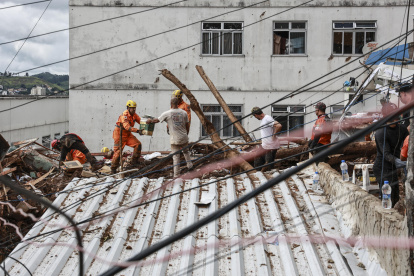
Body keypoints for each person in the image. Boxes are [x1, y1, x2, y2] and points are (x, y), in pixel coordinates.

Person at [147, 98, 193, 178]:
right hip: (184, 137)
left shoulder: (167, 113)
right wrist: (186, 134)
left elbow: (157, 120)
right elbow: (187, 125)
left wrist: (150, 120)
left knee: (176, 157)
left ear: (171, 103)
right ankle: (190, 167)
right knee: (186, 152)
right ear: (178, 103)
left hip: (175, 139)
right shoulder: (184, 113)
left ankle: (176, 176)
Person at [373, 102, 408, 207]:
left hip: (393, 167)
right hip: (382, 167)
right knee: (388, 197)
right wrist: (402, 163)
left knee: (396, 196)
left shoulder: (401, 129)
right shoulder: (381, 132)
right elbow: (386, 154)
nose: (396, 119)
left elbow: (409, 141)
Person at [111, 100, 143, 174]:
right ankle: (113, 169)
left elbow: (141, 121)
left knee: (138, 145)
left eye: (135, 108)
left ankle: (134, 163)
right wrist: (138, 131)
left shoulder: (134, 115)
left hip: (128, 134)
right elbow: (127, 127)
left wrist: (148, 121)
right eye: (132, 108)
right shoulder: (124, 115)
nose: (134, 109)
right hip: (120, 134)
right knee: (118, 152)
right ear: (128, 108)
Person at [251, 106, 282, 171]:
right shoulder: (264, 119)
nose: (255, 118)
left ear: (256, 115)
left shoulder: (267, 118)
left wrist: (274, 136)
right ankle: (259, 173)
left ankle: (268, 177)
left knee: (268, 164)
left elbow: (279, 126)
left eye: (254, 116)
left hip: (270, 146)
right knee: (257, 161)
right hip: (265, 145)